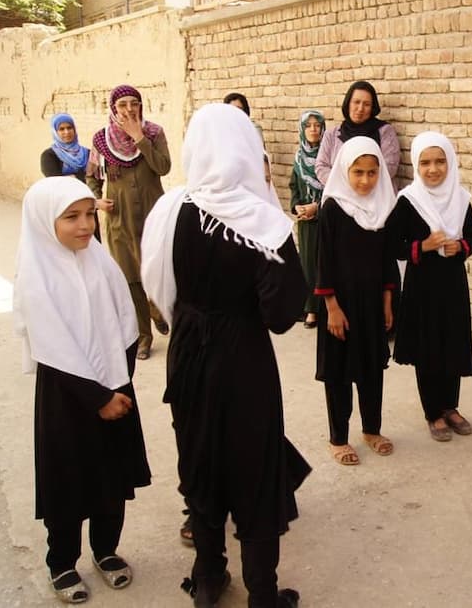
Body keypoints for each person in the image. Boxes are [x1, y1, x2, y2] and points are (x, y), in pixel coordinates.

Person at [141, 103, 310, 608]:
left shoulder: (171, 210)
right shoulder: (263, 222)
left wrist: (191, 315)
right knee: (254, 466)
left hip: (189, 351)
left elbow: (157, 285)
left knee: (201, 456)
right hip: (243, 361)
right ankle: (262, 593)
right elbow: (282, 314)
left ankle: (209, 577)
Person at [14, 176, 151, 604]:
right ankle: (62, 562)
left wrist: (120, 384)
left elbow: (125, 323)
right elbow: (53, 348)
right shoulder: (37, 277)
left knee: (112, 478)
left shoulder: (100, 262)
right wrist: (98, 399)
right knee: (69, 483)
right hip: (67, 402)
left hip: (116, 388)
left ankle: (106, 551)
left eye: (89, 213)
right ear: (43, 222)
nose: (85, 225)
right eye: (71, 217)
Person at [385, 131, 472, 441]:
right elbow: (390, 243)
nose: (433, 169)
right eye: (425, 162)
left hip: (452, 283)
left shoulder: (461, 199)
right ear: (416, 164)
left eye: (440, 161)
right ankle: (432, 413)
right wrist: (423, 246)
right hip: (422, 286)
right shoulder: (409, 201)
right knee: (428, 348)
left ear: (450, 163)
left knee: (452, 343)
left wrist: (461, 247)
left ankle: (450, 406)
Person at [315, 136, 399, 465]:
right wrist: (331, 308)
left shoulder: (383, 209)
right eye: (358, 172)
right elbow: (323, 263)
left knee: (371, 370)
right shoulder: (334, 208)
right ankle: (338, 438)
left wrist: (388, 301)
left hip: (371, 304)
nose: (365, 180)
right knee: (338, 373)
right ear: (344, 171)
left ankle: (371, 429)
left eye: (372, 173)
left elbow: (387, 260)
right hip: (340, 307)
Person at [87, 84, 170, 361]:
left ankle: (158, 308)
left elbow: (163, 167)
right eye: (122, 104)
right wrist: (96, 200)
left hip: (153, 216)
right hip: (119, 220)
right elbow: (92, 177)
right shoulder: (101, 140)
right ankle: (144, 336)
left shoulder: (154, 133)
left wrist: (139, 138)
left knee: (156, 270)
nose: (129, 109)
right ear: (113, 108)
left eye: (134, 103)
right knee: (131, 278)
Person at [315, 81, 400, 190]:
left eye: (366, 104)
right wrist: (346, 185)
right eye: (356, 102)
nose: (360, 108)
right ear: (348, 103)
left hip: (376, 196)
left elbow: (390, 167)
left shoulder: (384, 132)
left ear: (372, 107)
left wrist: (362, 184)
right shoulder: (332, 135)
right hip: (341, 195)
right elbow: (321, 166)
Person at [289, 110, 326, 328]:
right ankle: (311, 309)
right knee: (308, 265)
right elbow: (293, 186)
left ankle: (326, 307)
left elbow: (334, 187)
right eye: (308, 125)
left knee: (325, 262)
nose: (313, 129)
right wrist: (297, 207)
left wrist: (317, 207)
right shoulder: (298, 159)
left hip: (325, 217)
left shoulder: (327, 157)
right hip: (305, 222)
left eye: (317, 125)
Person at [40, 113, 101, 240]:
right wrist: (82, 178)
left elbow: (97, 179)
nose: (66, 132)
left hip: (88, 207)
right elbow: (56, 182)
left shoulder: (87, 153)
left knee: (92, 245)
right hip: (65, 208)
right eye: (61, 129)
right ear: (55, 132)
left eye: (69, 128)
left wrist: (72, 177)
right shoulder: (49, 156)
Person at [224, 92, 272, 187]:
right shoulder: (223, 130)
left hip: (250, 176)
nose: (235, 113)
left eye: (239, 109)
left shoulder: (253, 128)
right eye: (231, 109)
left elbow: (260, 151)